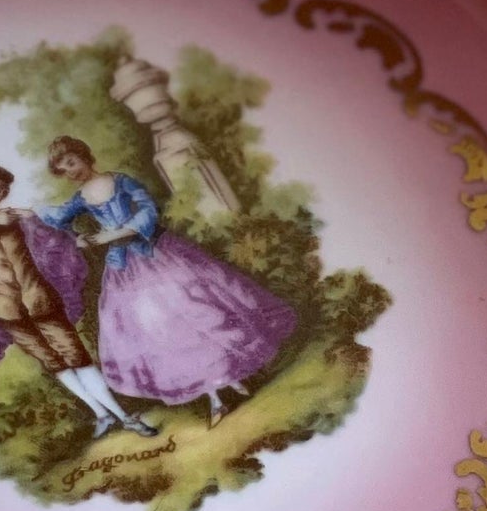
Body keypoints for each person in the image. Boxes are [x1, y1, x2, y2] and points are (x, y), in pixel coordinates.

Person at [41, 136, 296, 425]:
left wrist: (113, 234)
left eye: (72, 162)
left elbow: (148, 210)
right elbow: (57, 219)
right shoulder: (79, 199)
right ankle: (215, 396)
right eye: (63, 169)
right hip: (126, 269)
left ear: (85, 156)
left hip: (159, 254)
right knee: (162, 330)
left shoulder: (121, 181)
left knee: (198, 312)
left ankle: (228, 379)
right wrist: (78, 238)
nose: (71, 171)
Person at [0, 162, 155, 439]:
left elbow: (46, 231)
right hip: (5, 309)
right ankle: (100, 414)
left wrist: (8, 218)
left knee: (76, 355)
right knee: (51, 361)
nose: (0, 191)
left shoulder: (12, 217)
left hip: (38, 298)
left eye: (3, 187)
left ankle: (124, 417)